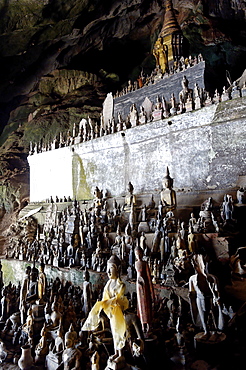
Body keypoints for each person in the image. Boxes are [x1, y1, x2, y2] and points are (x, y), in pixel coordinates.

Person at [82, 255, 129, 362]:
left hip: (118, 312)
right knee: (113, 333)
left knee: (119, 333)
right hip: (111, 313)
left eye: (111, 269)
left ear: (117, 269)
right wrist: (102, 305)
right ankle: (116, 352)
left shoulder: (120, 284)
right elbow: (105, 297)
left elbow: (118, 298)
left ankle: (121, 354)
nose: (108, 272)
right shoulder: (108, 284)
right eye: (107, 269)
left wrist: (107, 302)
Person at [188, 254, 224, 339]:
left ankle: (215, 332)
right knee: (202, 316)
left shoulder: (212, 278)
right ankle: (206, 331)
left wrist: (217, 298)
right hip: (199, 299)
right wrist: (191, 296)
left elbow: (216, 290)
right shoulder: (192, 279)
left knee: (213, 315)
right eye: (196, 264)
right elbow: (192, 291)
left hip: (210, 299)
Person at [135, 246, 155, 337]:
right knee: (140, 306)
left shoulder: (144, 263)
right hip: (138, 287)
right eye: (137, 254)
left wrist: (151, 291)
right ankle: (143, 325)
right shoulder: (136, 263)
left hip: (145, 287)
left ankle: (149, 325)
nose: (138, 255)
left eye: (140, 254)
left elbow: (148, 277)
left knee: (146, 305)